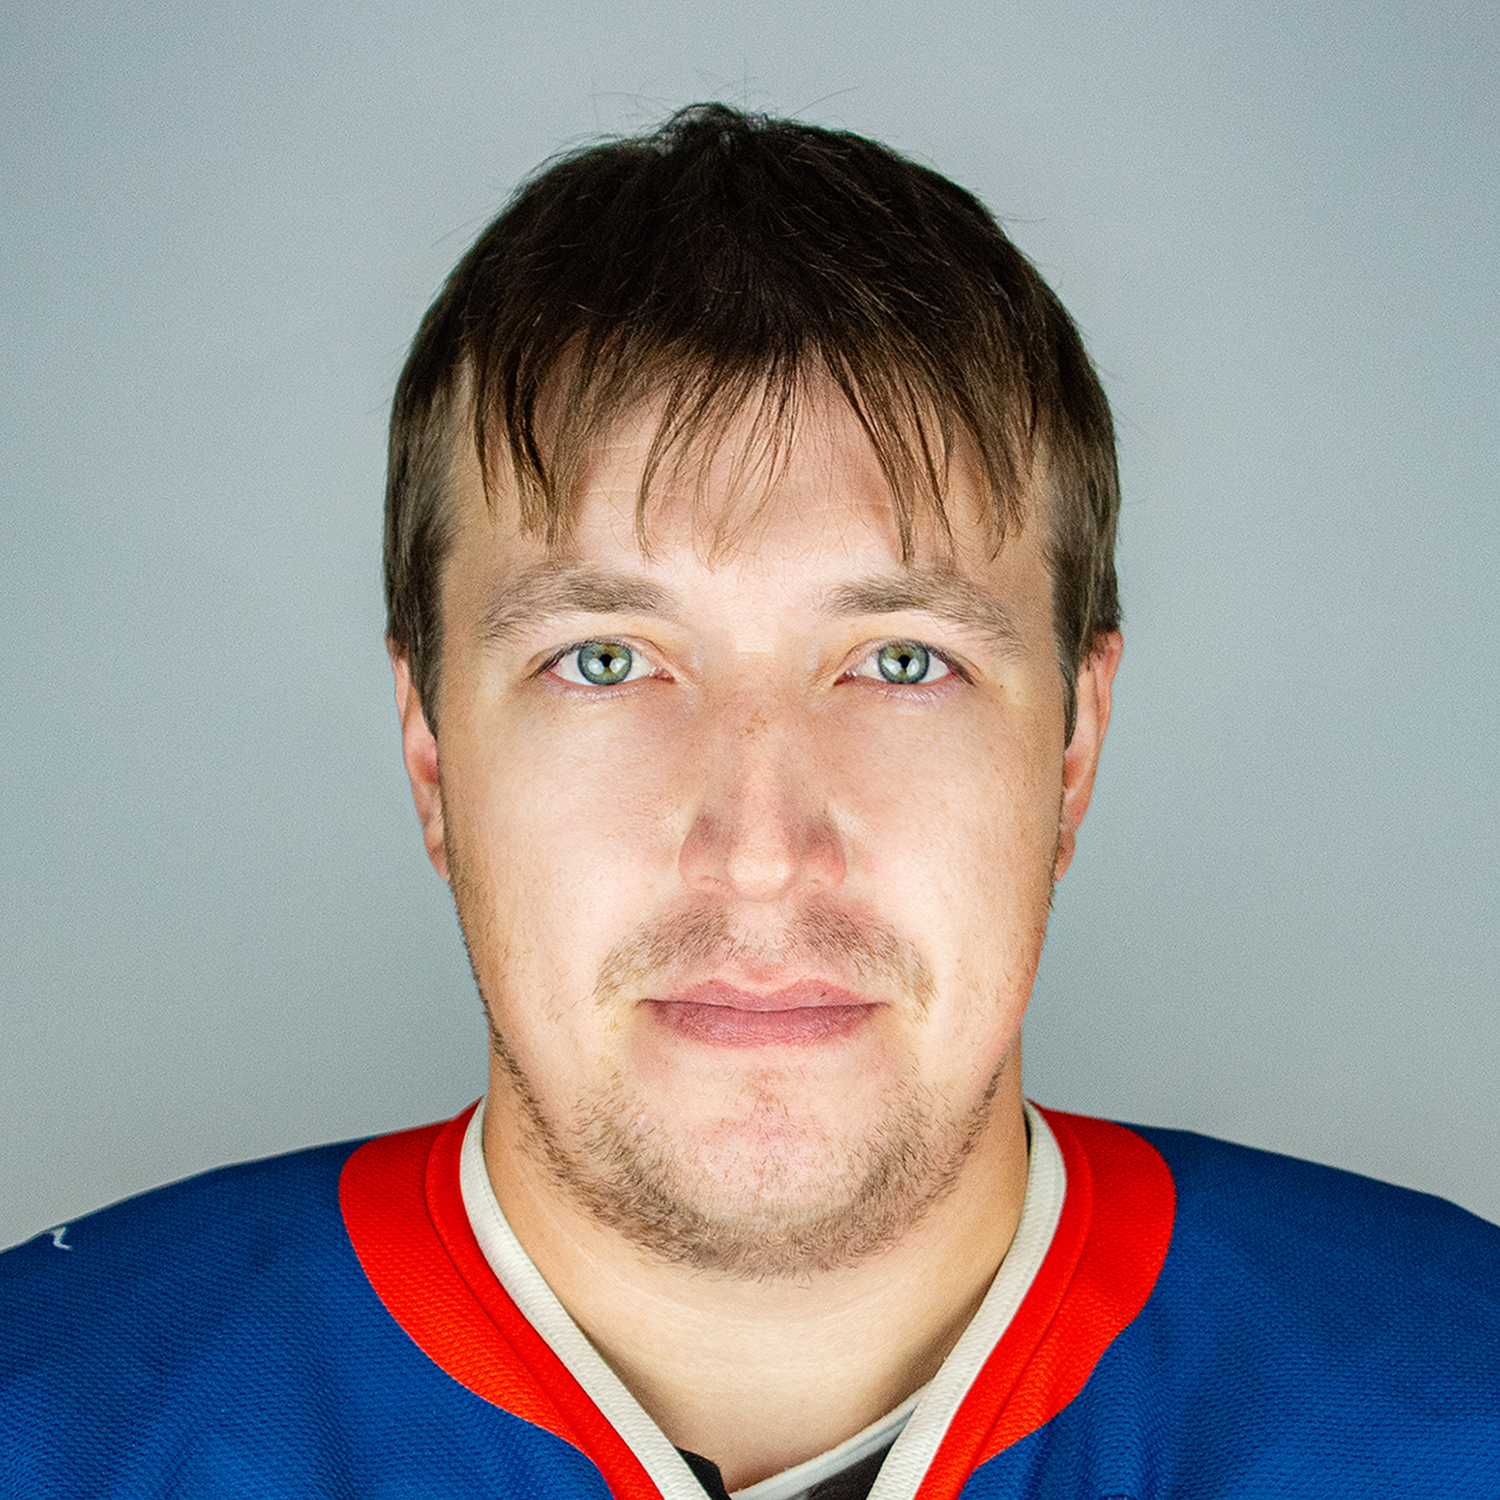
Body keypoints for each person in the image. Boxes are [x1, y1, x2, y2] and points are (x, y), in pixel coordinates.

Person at [3, 103, 1497, 1499]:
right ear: (431, 749)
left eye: (901, 661)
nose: (763, 853)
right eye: (606, 660)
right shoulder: (51, 1419)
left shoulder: (1456, 1399)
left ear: (1073, 747)